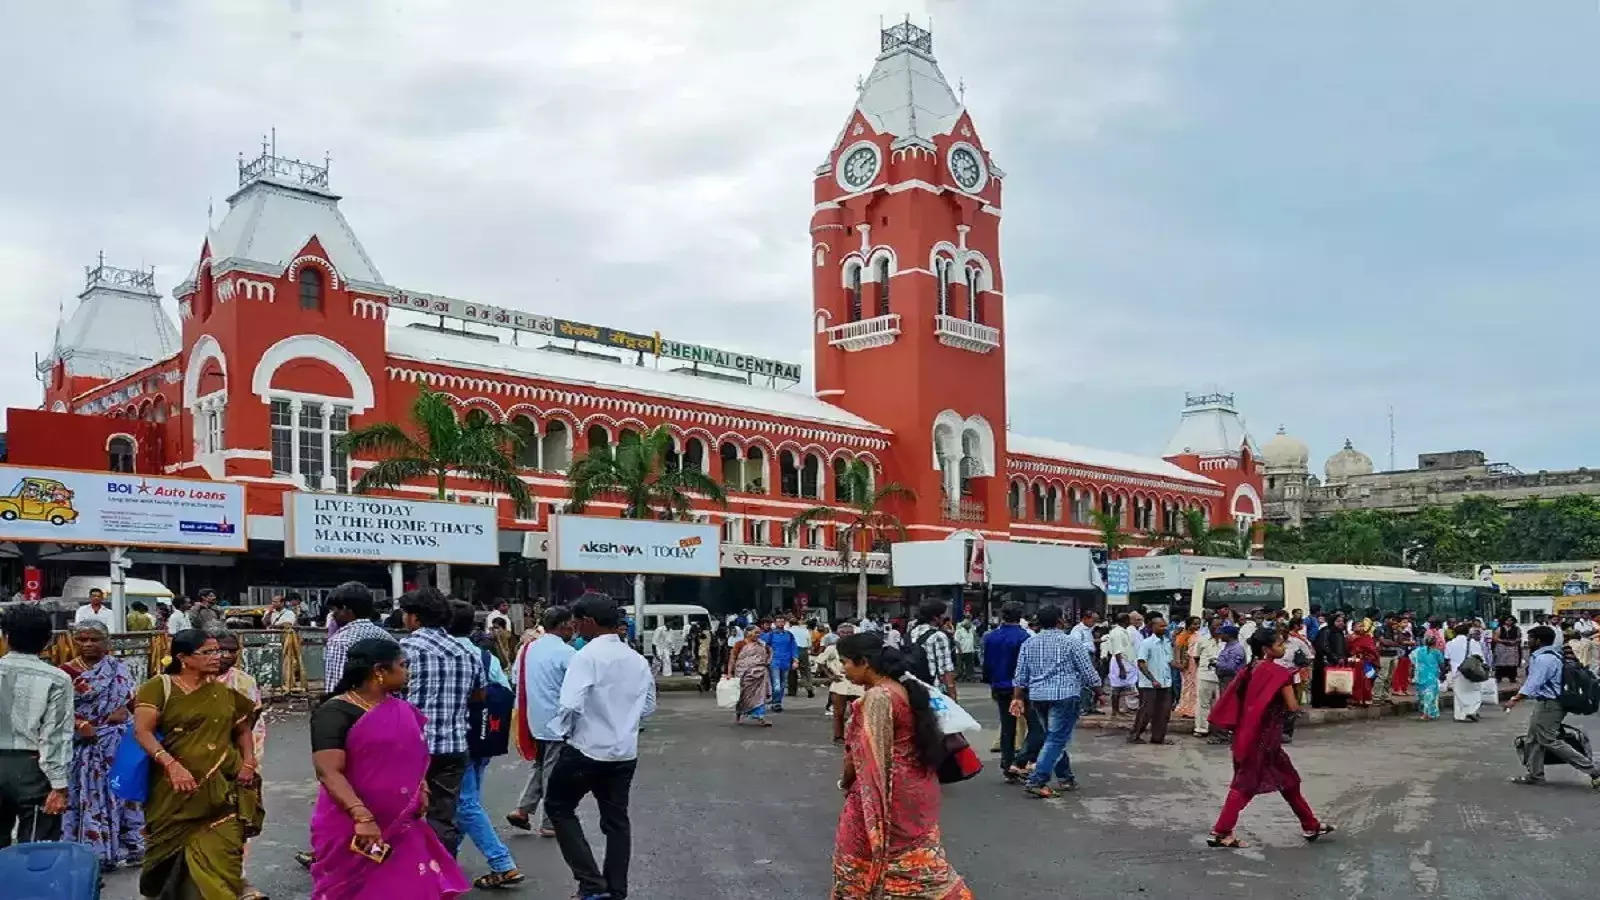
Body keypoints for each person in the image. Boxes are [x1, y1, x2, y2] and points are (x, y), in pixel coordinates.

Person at [309, 637, 471, 898]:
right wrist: (363, 817)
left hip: (403, 826)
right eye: (402, 665)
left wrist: (422, 788)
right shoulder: (334, 712)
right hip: (353, 826)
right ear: (380, 671)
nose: (407, 672)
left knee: (412, 888)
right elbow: (328, 771)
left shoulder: (402, 710)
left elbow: (412, 758)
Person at [830, 632, 971, 899]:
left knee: (859, 859)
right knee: (917, 862)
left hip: (890, 792)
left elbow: (865, 754)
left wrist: (846, 782)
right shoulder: (905, 687)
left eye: (845, 661)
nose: (842, 669)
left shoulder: (879, 697)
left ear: (864, 662)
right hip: (917, 785)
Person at [131, 628, 263, 898]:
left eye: (220, 651)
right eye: (209, 652)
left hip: (223, 789)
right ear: (184, 658)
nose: (219, 657)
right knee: (168, 859)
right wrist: (172, 765)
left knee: (223, 860)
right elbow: (142, 731)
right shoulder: (159, 687)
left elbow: (242, 730)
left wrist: (248, 763)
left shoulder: (224, 693)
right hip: (173, 792)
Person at [546, 593, 657, 900]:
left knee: (558, 806)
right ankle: (616, 890)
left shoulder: (586, 656)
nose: (574, 627)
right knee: (616, 822)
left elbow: (569, 704)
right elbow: (648, 706)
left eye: (577, 622)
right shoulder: (636, 659)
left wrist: (565, 732)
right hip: (624, 752)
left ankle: (592, 884)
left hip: (586, 749)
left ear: (590, 622)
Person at [1204, 628, 1334, 848]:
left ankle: (1310, 824)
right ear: (1267, 649)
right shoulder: (1278, 673)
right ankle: (1220, 831)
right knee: (1244, 785)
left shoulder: (1249, 669)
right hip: (1265, 738)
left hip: (1248, 733)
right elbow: (1292, 706)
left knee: (1289, 781)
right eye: (1280, 645)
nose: (1283, 648)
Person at [437, 600, 524, 889]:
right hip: (485, 739)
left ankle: (502, 863)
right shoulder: (486, 658)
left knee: (465, 802)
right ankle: (447, 857)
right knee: (466, 802)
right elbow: (504, 693)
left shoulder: (445, 654)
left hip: (455, 739)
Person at [398, 587, 486, 853]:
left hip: (410, 746)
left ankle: (407, 876)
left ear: (414, 618)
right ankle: (442, 874)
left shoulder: (404, 649)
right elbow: (480, 695)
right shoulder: (468, 651)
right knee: (443, 815)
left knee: (402, 812)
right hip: (453, 746)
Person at [59, 621, 145, 871]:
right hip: (83, 748)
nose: (87, 644)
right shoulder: (65, 673)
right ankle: (91, 853)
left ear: (106, 642)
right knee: (86, 796)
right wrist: (81, 725)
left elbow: (133, 703)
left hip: (117, 745)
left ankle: (130, 847)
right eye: (82, 639)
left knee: (122, 795)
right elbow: (57, 713)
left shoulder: (119, 669)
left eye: (94, 639)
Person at [0, 604, 72, 848]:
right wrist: (59, 786)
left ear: (5, 636)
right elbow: (55, 735)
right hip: (32, 769)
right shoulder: (57, 678)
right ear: (48, 639)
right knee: (36, 849)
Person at [1010, 605, 1101, 798]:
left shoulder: (1029, 643)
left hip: (1038, 696)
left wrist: (1017, 697)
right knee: (1056, 738)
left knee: (1053, 738)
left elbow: (1020, 675)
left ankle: (1065, 777)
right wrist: (1098, 691)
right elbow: (1088, 672)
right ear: (1060, 620)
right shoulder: (1071, 642)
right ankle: (1037, 780)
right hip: (1064, 695)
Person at [508, 605, 578, 836]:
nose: (573, 628)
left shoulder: (528, 649)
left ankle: (523, 809)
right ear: (562, 625)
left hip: (533, 720)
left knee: (540, 765)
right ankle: (549, 822)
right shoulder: (566, 653)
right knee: (553, 771)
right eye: (571, 624)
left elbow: (516, 677)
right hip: (558, 722)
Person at [1507, 625, 1600, 788]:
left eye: (1530, 638)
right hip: (1547, 702)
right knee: (1533, 739)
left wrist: (1516, 698)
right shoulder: (1551, 655)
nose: (1528, 642)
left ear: (1538, 640)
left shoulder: (1545, 659)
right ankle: (1535, 775)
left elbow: (1534, 683)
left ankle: (1593, 770)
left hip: (1550, 704)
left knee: (1549, 740)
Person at [982, 601, 1032, 777]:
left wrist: (991, 680)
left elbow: (986, 664)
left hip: (999, 685)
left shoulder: (990, 637)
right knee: (1034, 726)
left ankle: (1007, 762)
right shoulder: (1025, 638)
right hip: (1021, 688)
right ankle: (1022, 759)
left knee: (1007, 725)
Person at [323, 582, 395, 688]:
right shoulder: (388, 638)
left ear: (345, 609)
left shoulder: (340, 643)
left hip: (354, 702)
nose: (333, 615)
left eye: (334, 610)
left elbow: (335, 689)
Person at [1129, 613, 1173, 744]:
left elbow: (1169, 661)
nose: (1164, 628)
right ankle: (1135, 735)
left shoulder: (1167, 642)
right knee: (1146, 712)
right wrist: (1152, 679)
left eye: (1165, 625)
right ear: (1152, 627)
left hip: (1165, 683)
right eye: (1161, 626)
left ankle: (1158, 738)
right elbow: (1141, 663)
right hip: (1149, 685)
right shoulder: (1147, 643)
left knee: (1163, 713)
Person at [815, 623, 863, 742]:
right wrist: (830, 676)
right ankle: (839, 736)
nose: (846, 635)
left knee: (857, 712)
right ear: (838, 634)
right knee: (839, 713)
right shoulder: (832, 648)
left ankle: (855, 736)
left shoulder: (859, 648)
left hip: (856, 683)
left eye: (849, 632)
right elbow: (820, 662)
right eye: (844, 632)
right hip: (840, 682)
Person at [908, 599, 959, 700]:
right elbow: (946, 670)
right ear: (935, 617)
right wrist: (953, 696)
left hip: (915, 690)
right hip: (935, 692)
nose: (945, 617)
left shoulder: (910, 634)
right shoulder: (938, 636)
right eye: (943, 614)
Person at [729, 624, 773, 726]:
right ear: (748, 633)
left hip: (760, 674)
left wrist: (766, 662)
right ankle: (738, 716)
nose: (758, 634)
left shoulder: (762, 644)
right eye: (756, 632)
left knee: (760, 696)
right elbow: (732, 659)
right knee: (742, 696)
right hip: (743, 675)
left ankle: (761, 718)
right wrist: (729, 673)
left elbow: (770, 652)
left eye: (759, 632)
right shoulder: (739, 644)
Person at [1446, 625, 1488, 722]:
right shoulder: (1473, 642)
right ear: (1467, 632)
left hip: (1456, 670)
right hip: (1471, 669)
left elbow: (1447, 658)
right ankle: (1471, 710)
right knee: (1474, 691)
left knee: (1458, 693)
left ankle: (1459, 715)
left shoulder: (1450, 643)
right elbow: (1479, 656)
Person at [1101, 612, 1139, 717]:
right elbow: (1117, 651)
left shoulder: (1122, 631)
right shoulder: (1118, 633)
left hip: (1125, 661)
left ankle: (1117, 710)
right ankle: (1115, 711)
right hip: (1120, 662)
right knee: (1116, 687)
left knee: (1122, 687)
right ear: (1126, 620)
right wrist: (1121, 668)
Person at [1192, 620, 1223, 738]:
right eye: (1215, 626)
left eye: (1220, 625)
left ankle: (1218, 729)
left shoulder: (1225, 641)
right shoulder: (1202, 640)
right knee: (1203, 703)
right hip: (1205, 675)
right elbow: (1196, 657)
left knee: (1220, 704)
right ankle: (1201, 728)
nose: (1217, 628)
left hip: (1221, 677)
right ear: (1209, 627)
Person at [761, 615, 798, 712]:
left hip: (786, 662)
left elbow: (794, 648)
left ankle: (777, 702)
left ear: (785, 623)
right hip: (774, 662)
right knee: (776, 684)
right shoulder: (770, 635)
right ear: (775, 623)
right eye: (778, 621)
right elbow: (762, 644)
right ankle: (776, 703)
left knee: (782, 684)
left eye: (782, 621)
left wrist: (795, 660)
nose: (781, 623)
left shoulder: (789, 635)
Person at [1311, 612, 1348, 708]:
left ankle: (1335, 702)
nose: (1341, 623)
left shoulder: (1339, 632)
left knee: (1336, 682)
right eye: (1338, 621)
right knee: (1325, 682)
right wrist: (1335, 657)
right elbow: (1324, 646)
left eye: (1342, 621)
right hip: (1326, 661)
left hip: (1337, 661)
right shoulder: (1326, 631)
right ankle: (1324, 702)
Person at [1409, 634, 1446, 720]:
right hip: (1432, 676)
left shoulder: (1417, 651)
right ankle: (1429, 713)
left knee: (1421, 695)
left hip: (1420, 675)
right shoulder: (1437, 652)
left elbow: (1412, 662)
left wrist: (1411, 673)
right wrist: (1443, 674)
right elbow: (1442, 664)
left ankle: (1424, 712)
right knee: (1430, 695)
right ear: (1435, 643)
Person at [1346, 620, 1380, 707]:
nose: (1360, 628)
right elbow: (1346, 650)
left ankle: (1365, 700)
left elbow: (1373, 650)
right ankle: (1356, 699)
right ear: (1353, 627)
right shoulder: (1349, 638)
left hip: (1365, 663)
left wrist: (1369, 658)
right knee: (1355, 681)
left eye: (1362, 626)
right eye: (1358, 626)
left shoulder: (1367, 637)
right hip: (1353, 663)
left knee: (1366, 681)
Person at [1174, 617, 1201, 719]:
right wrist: (1179, 663)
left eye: (1199, 624)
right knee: (1188, 685)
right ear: (1189, 625)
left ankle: (1193, 709)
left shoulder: (1198, 635)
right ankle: (1186, 708)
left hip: (1196, 663)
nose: (1197, 626)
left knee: (1195, 686)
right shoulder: (1183, 636)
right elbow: (1178, 649)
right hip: (1188, 664)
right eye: (1195, 624)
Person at [787, 616, 815, 699]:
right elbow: (809, 644)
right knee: (806, 672)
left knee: (792, 672)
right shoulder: (805, 631)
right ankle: (809, 688)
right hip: (803, 651)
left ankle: (792, 691)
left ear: (790, 624)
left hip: (792, 651)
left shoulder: (788, 631)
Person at [1493, 618, 1523, 683]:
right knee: (1500, 663)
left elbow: (1519, 638)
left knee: (1512, 664)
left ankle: (1512, 678)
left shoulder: (1517, 629)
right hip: (1501, 647)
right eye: (1507, 620)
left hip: (1512, 647)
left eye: (1511, 620)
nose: (1509, 621)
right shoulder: (1500, 628)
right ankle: (1499, 678)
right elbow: (1495, 638)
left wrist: (1514, 641)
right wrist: (1504, 641)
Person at [953, 617, 977, 682]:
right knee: (960, 665)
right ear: (965, 625)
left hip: (970, 651)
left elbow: (973, 639)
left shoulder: (971, 631)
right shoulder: (959, 631)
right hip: (961, 651)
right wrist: (959, 649)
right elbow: (956, 641)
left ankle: (969, 677)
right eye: (969, 624)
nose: (970, 625)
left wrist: (974, 647)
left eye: (970, 624)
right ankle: (960, 677)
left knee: (969, 665)